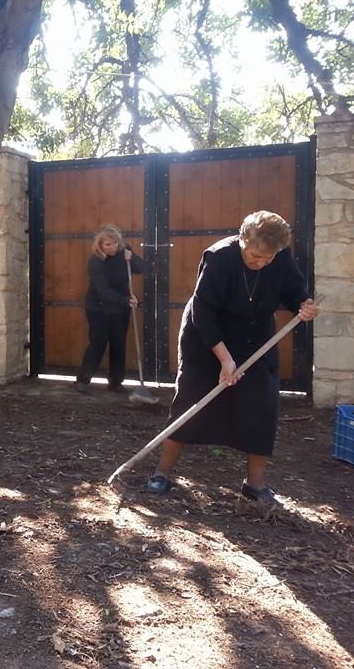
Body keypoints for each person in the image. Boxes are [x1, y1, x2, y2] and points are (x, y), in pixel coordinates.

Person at [145, 210, 319, 510]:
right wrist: (224, 359)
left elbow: (294, 290)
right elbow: (202, 311)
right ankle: (162, 472)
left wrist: (303, 305)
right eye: (254, 256)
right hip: (208, 337)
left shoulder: (280, 257)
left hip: (256, 339)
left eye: (267, 259)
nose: (260, 263)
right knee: (191, 402)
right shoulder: (219, 258)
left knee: (261, 405)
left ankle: (255, 484)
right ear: (242, 239)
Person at [75, 224, 145, 395]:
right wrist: (125, 300)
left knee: (118, 343)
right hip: (98, 307)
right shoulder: (96, 261)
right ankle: (83, 380)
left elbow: (141, 268)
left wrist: (132, 257)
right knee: (98, 342)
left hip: (120, 308)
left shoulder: (124, 251)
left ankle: (115, 383)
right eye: (108, 244)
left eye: (115, 243)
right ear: (100, 245)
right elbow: (102, 290)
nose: (112, 247)